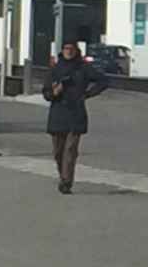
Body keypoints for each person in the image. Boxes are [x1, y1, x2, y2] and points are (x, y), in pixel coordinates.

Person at [44, 40, 107, 193]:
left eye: (72, 49)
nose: (69, 51)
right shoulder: (55, 69)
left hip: (76, 112)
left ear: (76, 50)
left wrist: (88, 94)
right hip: (58, 113)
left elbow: (103, 80)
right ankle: (63, 175)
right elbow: (46, 93)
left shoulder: (83, 68)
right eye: (66, 48)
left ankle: (66, 182)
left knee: (70, 150)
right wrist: (55, 92)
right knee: (58, 152)